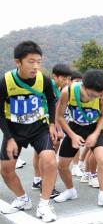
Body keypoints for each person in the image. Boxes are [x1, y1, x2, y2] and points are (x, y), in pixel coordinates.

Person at [0, 41, 58, 222]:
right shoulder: (6, 81)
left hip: (38, 127)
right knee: (6, 170)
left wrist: (51, 124)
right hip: (14, 130)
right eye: (31, 61)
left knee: (50, 161)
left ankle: (44, 204)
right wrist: (8, 137)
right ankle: (22, 199)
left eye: (38, 62)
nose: (35, 66)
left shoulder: (44, 80)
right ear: (18, 62)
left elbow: (50, 101)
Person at [55, 69, 103, 209]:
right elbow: (59, 116)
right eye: (91, 95)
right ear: (84, 86)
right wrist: (72, 135)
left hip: (94, 128)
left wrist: (95, 134)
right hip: (74, 128)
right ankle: (70, 190)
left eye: (99, 95)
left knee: (102, 159)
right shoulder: (68, 92)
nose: (94, 98)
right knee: (62, 165)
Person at [31, 63, 72, 199]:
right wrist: (57, 128)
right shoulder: (51, 87)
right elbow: (53, 110)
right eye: (63, 79)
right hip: (45, 123)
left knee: (39, 153)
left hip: (41, 122)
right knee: (49, 155)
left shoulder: (58, 88)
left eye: (68, 79)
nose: (66, 82)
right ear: (55, 76)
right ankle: (45, 184)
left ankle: (37, 180)